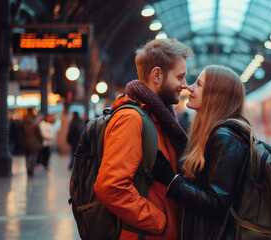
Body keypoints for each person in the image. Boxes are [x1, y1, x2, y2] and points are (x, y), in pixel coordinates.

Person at [93, 38, 193, 239]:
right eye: (180, 77)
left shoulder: (159, 117)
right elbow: (111, 187)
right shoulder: (131, 119)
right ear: (157, 75)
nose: (184, 85)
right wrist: (161, 222)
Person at [152, 64, 252, 239]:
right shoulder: (215, 134)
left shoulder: (225, 138)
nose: (189, 87)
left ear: (214, 95)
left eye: (198, 84)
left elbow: (216, 204)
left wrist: (171, 179)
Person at [21, 109, 43, 176]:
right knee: (34, 157)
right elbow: (39, 134)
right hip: (34, 143)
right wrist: (41, 141)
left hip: (25, 142)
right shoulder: (35, 124)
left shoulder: (23, 124)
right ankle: (32, 171)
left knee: (27, 158)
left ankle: (28, 170)